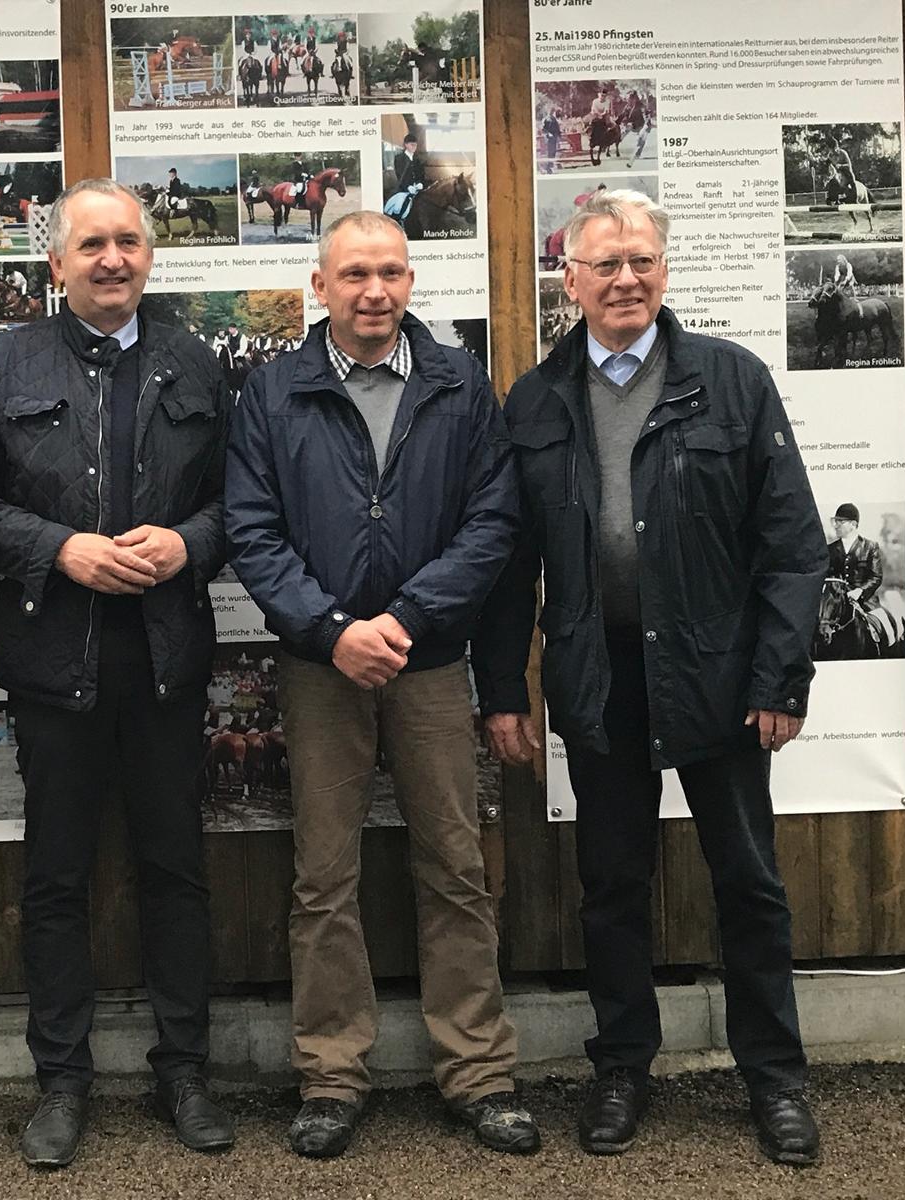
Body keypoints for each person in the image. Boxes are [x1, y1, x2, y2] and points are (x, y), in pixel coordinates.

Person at [474, 189, 827, 1167]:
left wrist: (778, 677)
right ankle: (622, 1068)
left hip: (716, 680)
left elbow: (793, 549)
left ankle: (775, 1078)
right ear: (571, 279)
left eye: (640, 262)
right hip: (600, 682)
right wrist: (502, 686)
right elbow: (508, 565)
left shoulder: (732, 381)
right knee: (612, 884)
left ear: (662, 272)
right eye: (603, 264)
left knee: (748, 884)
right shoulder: (537, 401)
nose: (623, 279)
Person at [0, 178, 234, 1169]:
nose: (113, 259)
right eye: (93, 245)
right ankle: (60, 1082)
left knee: (175, 874)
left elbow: (243, 501)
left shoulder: (195, 360)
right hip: (51, 662)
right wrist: (58, 548)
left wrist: (189, 542)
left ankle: (183, 1072)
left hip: (163, 666)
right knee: (56, 880)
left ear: (149, 257)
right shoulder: (6, 360)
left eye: (129, 243)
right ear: (55, 263)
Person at [225, 211, 533, 1160]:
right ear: (320, 287)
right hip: (323, 670)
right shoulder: (273, 394)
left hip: (431, 664)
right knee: (324, 877)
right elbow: (252, 529)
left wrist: (405, 619)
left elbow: (493, 520)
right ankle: (330, 1074)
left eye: (391, 272)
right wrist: (331, 630)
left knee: (455, 866)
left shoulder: (458, 385)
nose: (375, 291)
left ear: (411, 281)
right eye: (354, 273)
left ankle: (477, 1074)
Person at [827, 503, 882, 610]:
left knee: (884, 621)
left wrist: (860, 591)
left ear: (853, 524)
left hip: (867, 603)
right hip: (837, 604)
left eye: (841, 522)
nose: (836, 525)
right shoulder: (830, 549)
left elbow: (876, 577)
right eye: (835, 521)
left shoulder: (870, 547)